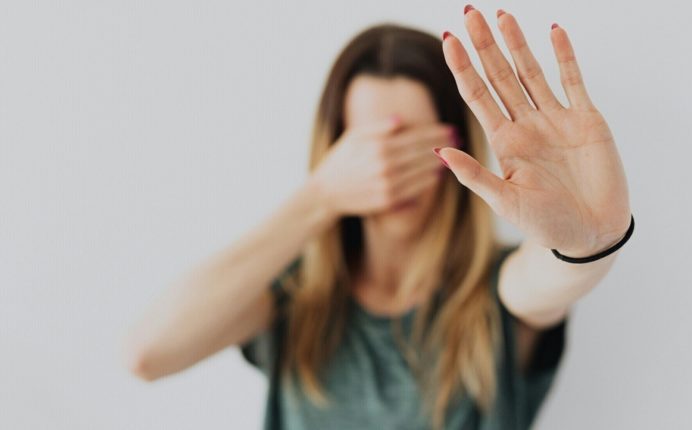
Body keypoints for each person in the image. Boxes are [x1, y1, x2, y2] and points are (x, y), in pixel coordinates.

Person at [122, 6, 632, 430]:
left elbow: (551, 277)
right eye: (370, 146)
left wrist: (590, 240)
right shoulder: (293, 295)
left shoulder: (494, 292)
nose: (391, 170)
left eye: (416, 144)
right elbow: (148, 353)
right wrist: (320, 196)